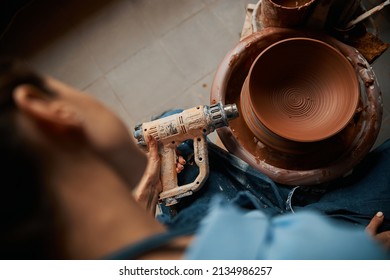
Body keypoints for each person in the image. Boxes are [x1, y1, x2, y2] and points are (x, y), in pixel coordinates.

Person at [0, 59, 389, 260]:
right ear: (45, 110)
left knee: (173, 133)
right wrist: (360, 259)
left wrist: (145, 196)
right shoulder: (320, 257)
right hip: (327, 236)